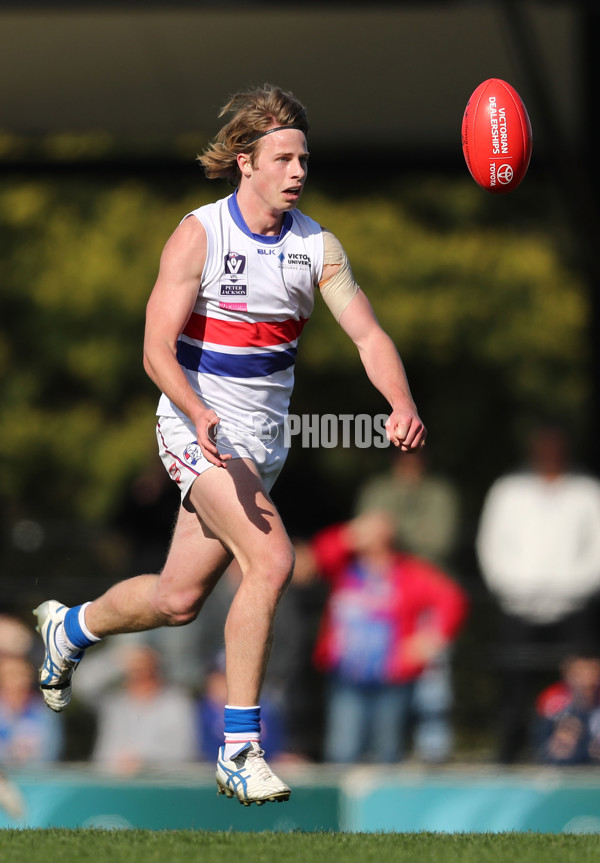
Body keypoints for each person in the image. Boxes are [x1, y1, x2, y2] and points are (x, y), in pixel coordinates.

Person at [33, 83, 426, 805]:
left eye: (304, 157)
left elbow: (368, 334)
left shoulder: (317, 247)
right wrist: (197, 410)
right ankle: (240, 746)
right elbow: (155, 351)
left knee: (179, 597)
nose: (299, 171)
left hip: (261, 446)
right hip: (196, 427)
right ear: (246, 162)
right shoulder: (200, 234)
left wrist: (399, 401)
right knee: (274, 559)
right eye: (283, 157)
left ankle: (72, 625)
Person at [301, 510, 468, 763]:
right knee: (342, 750)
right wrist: (351, 535)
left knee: (387, 751)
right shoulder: (343, 568)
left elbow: (452, 599)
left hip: (391, 676)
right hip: (347, 674)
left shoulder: (409, 572)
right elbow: (318, 556)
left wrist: (431, 638)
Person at [476, 424, 600, 763]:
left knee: (584, 686)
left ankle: (584, 752)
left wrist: (573, 588)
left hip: (574, 604)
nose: (549, 455)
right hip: (517, 603)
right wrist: (512, 588)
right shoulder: (509, 490)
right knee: (513, 683)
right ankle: (509, 752)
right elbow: (491, 545)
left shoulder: (587, 490)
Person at [354, 448, 462, 762]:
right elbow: (363, 538)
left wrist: (390, 531)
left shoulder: (440, 493)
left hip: (427, 601)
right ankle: (378, 756)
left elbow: (439, 540)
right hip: (380, 600)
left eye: (415, 454)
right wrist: (381, 537)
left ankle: (434, 758)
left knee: (433, 685)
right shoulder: (377, 489)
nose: (409, 460)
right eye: (402, 454)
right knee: (376, 678)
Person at [89, 643, 198, 774]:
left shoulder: (177, 703)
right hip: (109, 783)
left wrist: (143, 762)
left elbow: (184, 750)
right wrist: (115, 659)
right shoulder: (114, 702)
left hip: (155, 785)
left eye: (144, 666)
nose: (138, 672)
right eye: (134, 666)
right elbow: (83, 684)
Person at [534, 654, 600, 765]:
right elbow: (543, 747)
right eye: (579, 673)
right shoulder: (554, 703)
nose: (587, 679)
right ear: (568, 676)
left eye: (593, 672)